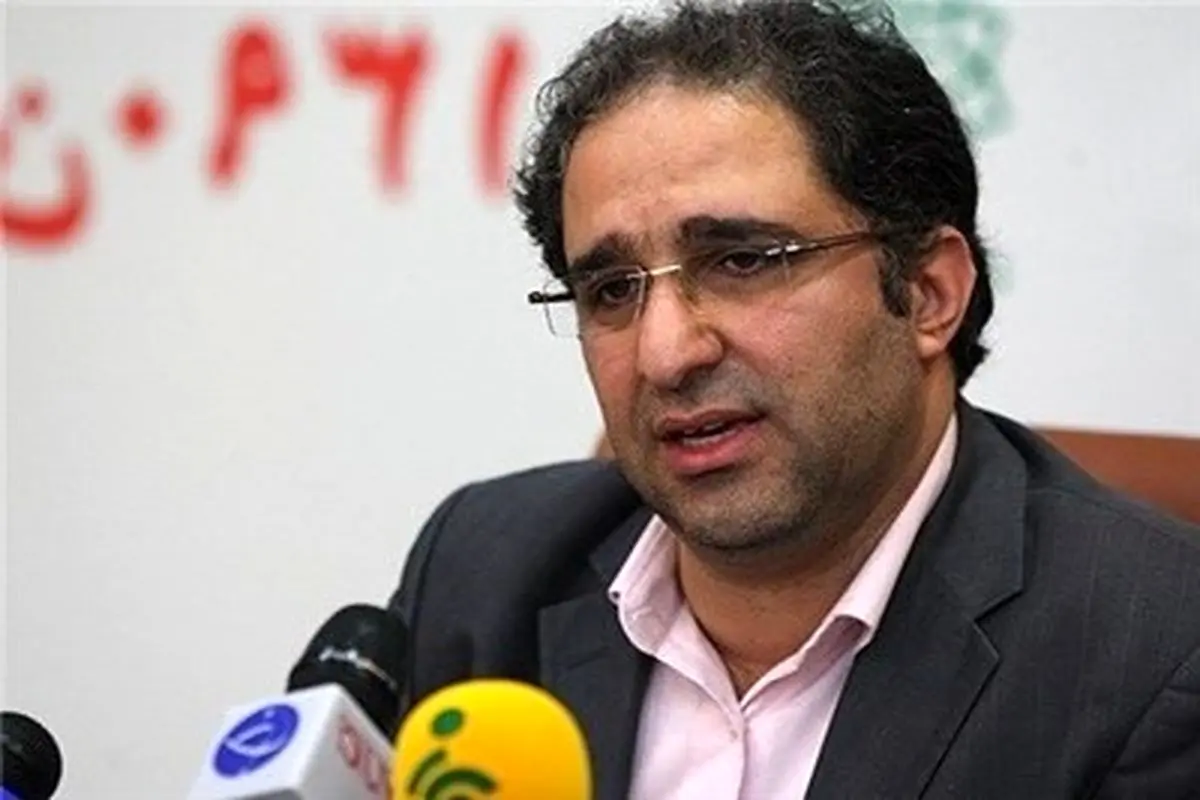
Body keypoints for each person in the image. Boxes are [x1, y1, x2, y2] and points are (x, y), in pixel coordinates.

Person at [389, 1, 1200, 797]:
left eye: (742, 262)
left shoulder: (1157, 656)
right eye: (612, 289)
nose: (665, 354)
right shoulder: (484, 571)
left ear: (927, 293)